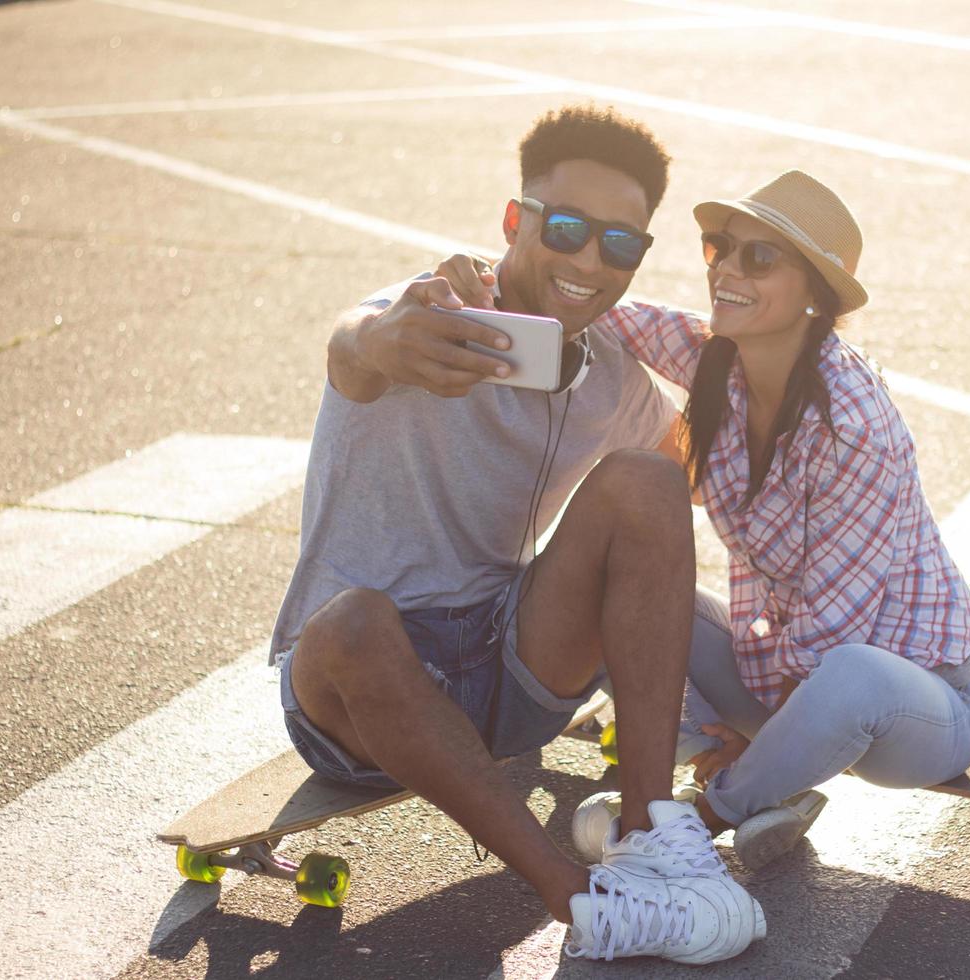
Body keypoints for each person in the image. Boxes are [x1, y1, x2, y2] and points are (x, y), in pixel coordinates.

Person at [268, 105, 766, 965]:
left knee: (643, 483)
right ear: (514, 220)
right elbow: (354, 347)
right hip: (357, 697)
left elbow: (667, 490)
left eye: (620, 245)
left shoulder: (608, 371)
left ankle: (651, 830)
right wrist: (387, 338)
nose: (587, 262)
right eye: (566, 229)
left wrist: (762, 364)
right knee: (351, 623)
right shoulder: (428, 317)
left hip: (507, 666)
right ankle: (577, 899)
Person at [440, 171, 970, 871]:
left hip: (912, 705)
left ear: (815, 297)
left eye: (759, 258)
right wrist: (477, 278)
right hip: (783, 680)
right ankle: (757, 783)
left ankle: (705, 814)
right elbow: (598, 306)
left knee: (854, 674)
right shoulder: (717, 362)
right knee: (617, 594)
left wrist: (759, 747)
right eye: (720, 247)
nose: (727, 268)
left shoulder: (854, 427)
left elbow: (830, 637)